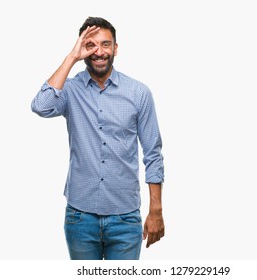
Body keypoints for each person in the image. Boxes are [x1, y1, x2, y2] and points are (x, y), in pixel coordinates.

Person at [31, 17, 165, 260]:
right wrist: (71, 58)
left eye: (105, 44)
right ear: (82, 49)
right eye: (91, 45)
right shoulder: (70, 90)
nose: (99, 52)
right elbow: (41, 106)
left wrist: (156, 209)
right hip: (80, 217)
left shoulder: (138, 92)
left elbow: (153, 152)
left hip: (125, 217)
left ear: (116, 48)